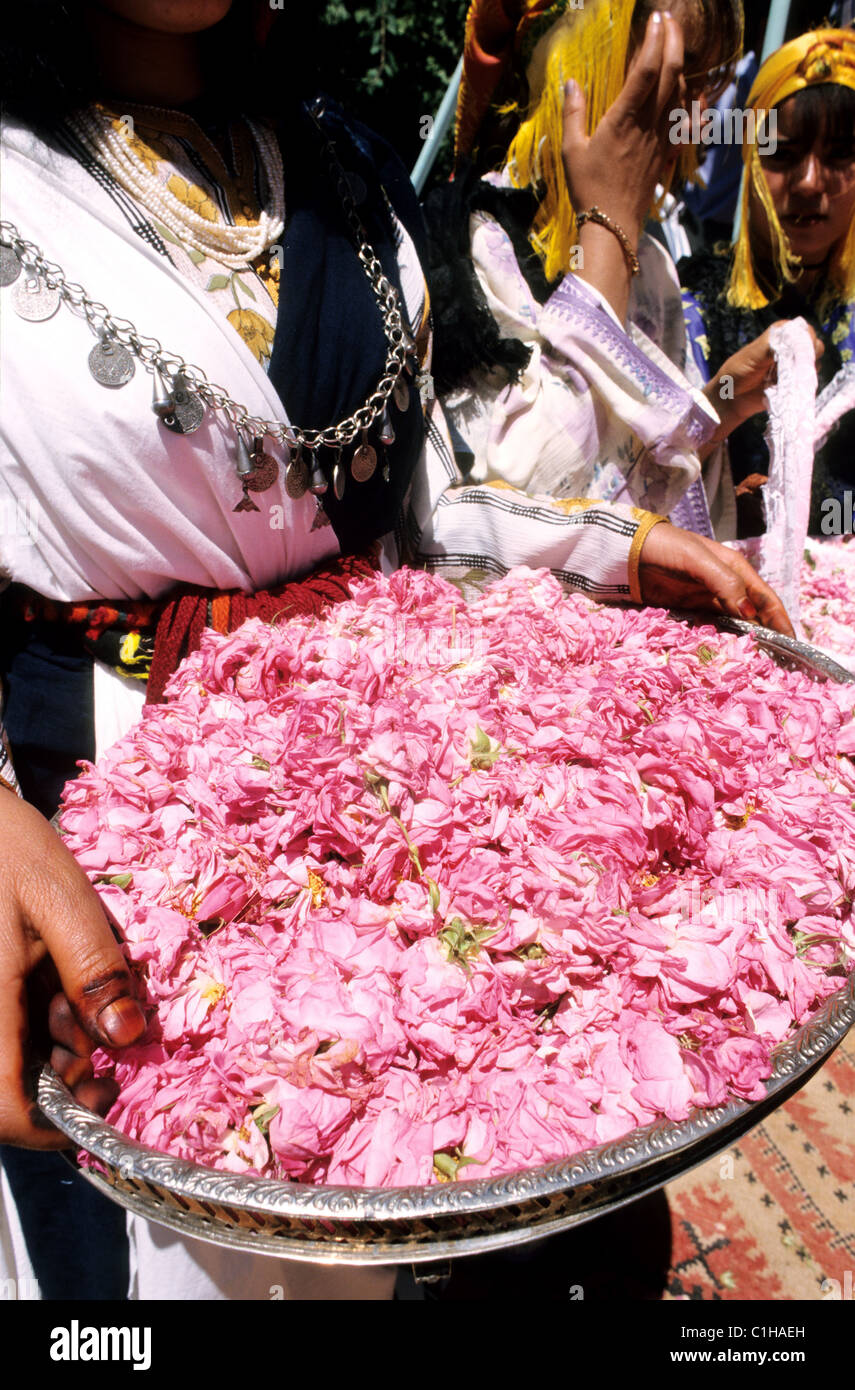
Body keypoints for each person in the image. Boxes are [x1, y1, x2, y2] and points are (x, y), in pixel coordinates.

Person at [0, 0, 793, 1302]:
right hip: (116, 850)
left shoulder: (342, 170)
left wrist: (601, 546)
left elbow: (413, 525)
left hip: (372, 833)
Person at [425, 0, 825, 544]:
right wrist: (607, 235)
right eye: (673, 74)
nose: (698, 118)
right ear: (584, 63)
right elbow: (519, 519)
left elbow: (644, 503)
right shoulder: (478, 242)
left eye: (707, 83)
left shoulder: (654, 261)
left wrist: (720, 406)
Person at [680, 29, 855, 537]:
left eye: (840, 154)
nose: (808, 182)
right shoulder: (691, 306)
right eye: (783, 152)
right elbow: (641, 485)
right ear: (751, 160)